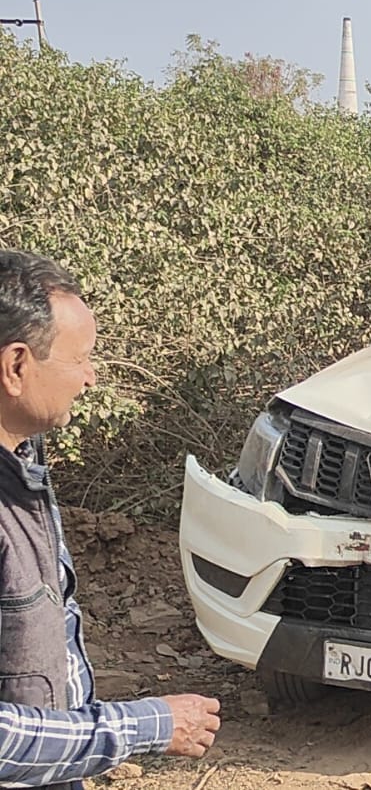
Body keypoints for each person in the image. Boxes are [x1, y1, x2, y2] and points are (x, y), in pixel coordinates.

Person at [0, 251, 222, 789]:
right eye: (80, 359)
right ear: (16, 366)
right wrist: (145, 726)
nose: (91, 378)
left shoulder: (24, 469)